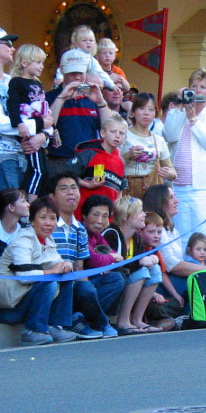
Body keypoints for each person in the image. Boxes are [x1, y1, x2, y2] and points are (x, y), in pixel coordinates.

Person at [0, 197, 79, 345]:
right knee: (48, 283)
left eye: (52, 218)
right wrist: (52, 271)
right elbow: (24, 276)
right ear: (32, 221)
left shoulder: (48, 240)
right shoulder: (23, 239)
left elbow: (58, 263)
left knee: (66, 278)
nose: (48, 223)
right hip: (7, 308)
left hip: (23, 301)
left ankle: (55, 325)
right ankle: (33, 330)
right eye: (43, 218)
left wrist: (66, 265)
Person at [47, 173, 120, 338]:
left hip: (73, 283)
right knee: (79, 287)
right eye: (64, 189)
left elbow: (79, 269)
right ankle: (100, 322)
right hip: (52, 282)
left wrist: (88, 291)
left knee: (111, 280)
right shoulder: (48, 224)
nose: (71, 193)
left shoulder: (80, 229)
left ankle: (79, 319)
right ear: (52, 197)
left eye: (74, 188)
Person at [163, 67, 206, 251]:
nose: (198, 91)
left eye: (203, 87)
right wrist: (180, 106)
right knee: (181, 237)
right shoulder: (177, 112)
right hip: (178, 187)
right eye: (194, 87)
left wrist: (193, 120)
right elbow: (170, 136)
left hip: (205, 189)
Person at [0, 26, 42, 199]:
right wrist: (39, 125)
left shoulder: (12, 80)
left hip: (28, 157)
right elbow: (0, 123)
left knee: (28, 212)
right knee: (9, 211)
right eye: (8, 44)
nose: (13, 48)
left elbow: (38, 112)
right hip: (3, 158)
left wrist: (43, 136)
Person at [47, 50, 115, 175]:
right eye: (73, 73)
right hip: (60, 160)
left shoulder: (92, 95)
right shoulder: (50, 97)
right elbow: (48, 126)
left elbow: (109, 129)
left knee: (98, 186)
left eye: (81, 72)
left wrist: (101, 103)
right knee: (61, 188)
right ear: (62, 70)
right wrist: (61, 98)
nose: (77, 77)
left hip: (94, 160)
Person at [103, 195, 161, 334]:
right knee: (141, 271)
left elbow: (140, 260)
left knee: (155, 270)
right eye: (139, 211)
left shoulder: (135, 237)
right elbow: (113, 266)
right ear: (125, 217)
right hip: (109, 282)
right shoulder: (111, 234)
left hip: (125, 280)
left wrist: (152, 258)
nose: (144, 214)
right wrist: (140, 262)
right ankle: (123, 321)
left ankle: (137, 319)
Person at [7, 44, 54, 199]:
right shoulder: (17, 82)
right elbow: (12, 105)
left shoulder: (37, 83)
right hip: (29, 127)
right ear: (24, 63)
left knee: (43, 169)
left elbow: (43, 107)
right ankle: (30, 202)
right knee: (37, 170)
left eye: (42, 62)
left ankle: (32, 199)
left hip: (39, 127)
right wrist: (19, 123)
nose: (42, 66)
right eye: (38, 62)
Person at [70, 115, 129, 218]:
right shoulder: (89, 152)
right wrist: (87, 184)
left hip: (107, 216)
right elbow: (68, 175)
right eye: (113, 131)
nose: (117, 136)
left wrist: (116, 210)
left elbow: (120, 190)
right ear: (102, 133)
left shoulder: (121, 161)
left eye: (121, 133)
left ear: (125, 137)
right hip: (84, 212)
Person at [123, 93, 174, 198]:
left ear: (155, 113)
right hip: (128, 192)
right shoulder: (122, 134)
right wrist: (128, 155)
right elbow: (110, 162)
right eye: (142, 108)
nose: (146, 113)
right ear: (133, 112)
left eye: (151, 109)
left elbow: (171, 171)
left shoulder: (159, 140)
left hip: (153, 194)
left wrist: (170, 174)